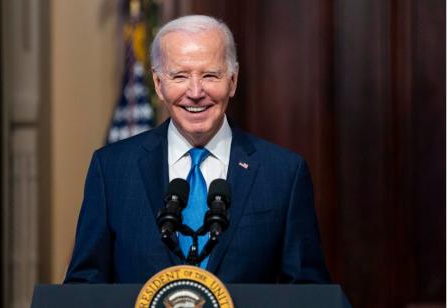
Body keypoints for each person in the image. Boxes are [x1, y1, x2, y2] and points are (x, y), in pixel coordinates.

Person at [64, 15, 330, 284]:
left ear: (233, 81)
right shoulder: (112, 170)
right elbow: (84, 288)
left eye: (210, 75)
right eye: (179, 76)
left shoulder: (283, 174)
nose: (195, 91)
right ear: (158, 85)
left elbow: (309, 292)